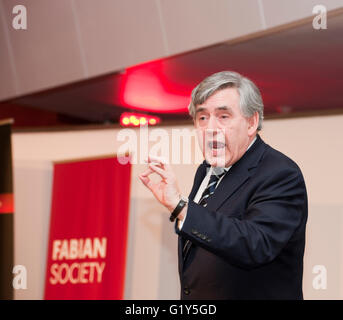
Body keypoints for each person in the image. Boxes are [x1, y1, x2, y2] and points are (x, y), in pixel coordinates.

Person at [139, 71, 308, 300]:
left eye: (223, 117)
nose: (210, 129)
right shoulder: (207, 172)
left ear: (251, 122)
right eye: (202, 118)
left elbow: (255, 245)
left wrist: (181, 207)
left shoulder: (280, 173)